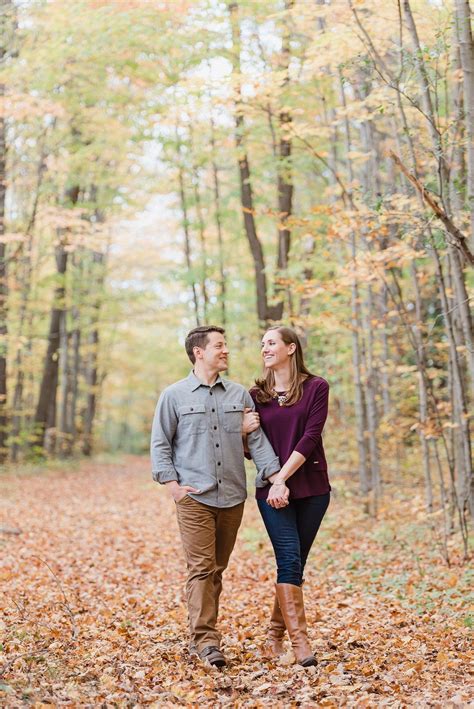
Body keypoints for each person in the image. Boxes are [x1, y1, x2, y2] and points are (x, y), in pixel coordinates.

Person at [150, 325, 280, 668]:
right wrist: (173, 486)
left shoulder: (239, 395)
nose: (226, 351)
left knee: (217, 569)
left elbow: (258, 444)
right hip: (194, 496)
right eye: (219, 346)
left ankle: (202, 632)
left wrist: (277, 477)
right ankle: (206, 640)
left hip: (233, 495)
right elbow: (161, 444)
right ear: (199, 352)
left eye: (225, 345)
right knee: (202, 568)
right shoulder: (174, 395)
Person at [248, 325, 330, 667]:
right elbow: (252, 449)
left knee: (295, 564)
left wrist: (283, 477)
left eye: (271, 343)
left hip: (312, 488)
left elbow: (311, 436)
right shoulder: (255, 395)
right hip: (271, 493)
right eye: (263, 344)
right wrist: (242, 433)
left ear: (291, 348)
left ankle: (273, 636)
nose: (265, 349)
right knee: (290, 560)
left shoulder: (316, 387)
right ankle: (301, 644)